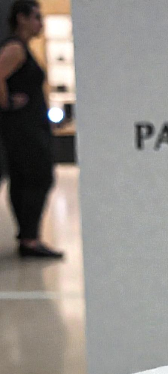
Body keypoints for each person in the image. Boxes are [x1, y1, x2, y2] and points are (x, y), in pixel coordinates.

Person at [0, 0, 63, 258]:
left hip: (26, 126)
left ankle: (28, 236)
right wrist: (7, 102)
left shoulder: (20, 47)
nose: (40, 23)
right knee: (37, 177)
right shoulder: (15, 48)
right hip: (24, 129)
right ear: (22, 18)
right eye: (36, 17)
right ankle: (29, 238)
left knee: (26, 179)